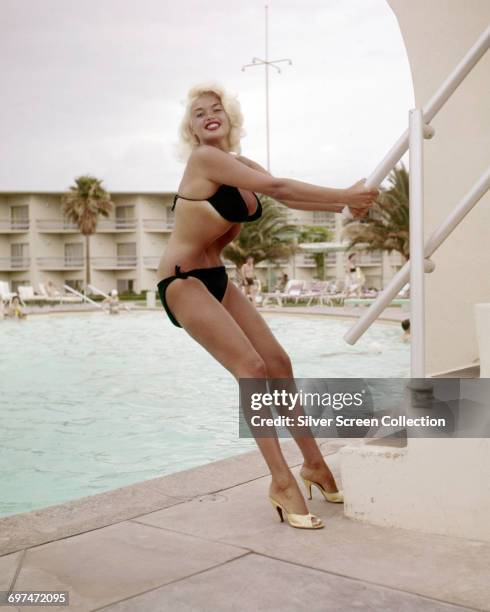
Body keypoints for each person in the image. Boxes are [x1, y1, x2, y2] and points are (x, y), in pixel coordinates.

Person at [155, 83, 378, 529]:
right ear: (192, 129)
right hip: (181, 281)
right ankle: (280, 480)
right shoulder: (204, 160)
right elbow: (278, 184)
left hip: (216, 278)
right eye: (199, 114)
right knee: (252, 368)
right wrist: (344, 194)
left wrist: (342, 207)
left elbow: (283, 194)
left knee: (278, 361)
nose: (209, 116)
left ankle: (313, 464)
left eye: (216, 109)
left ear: (230, 116)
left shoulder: (240, 166)